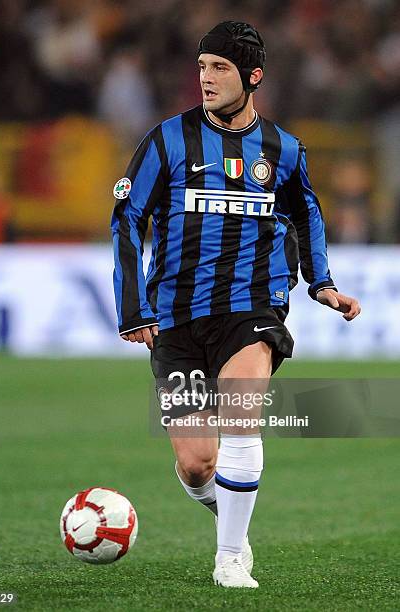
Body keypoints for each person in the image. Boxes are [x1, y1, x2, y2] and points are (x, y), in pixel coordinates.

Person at [111, 21, 361, 589]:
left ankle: (228, 560)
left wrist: (319, 281)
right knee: (198, 462)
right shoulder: (165, 140)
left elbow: (307, 214)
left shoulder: (283, 149)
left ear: (253, 76)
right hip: (176, 316)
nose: (206, 78)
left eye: (219, 68)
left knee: (242, 420)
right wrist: (134, 308)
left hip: (254, 308)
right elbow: (127, 219)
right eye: (202, 67)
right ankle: (235, 529)